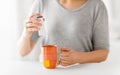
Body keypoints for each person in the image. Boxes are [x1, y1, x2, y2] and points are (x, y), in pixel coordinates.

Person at [18, 0, 109, 66]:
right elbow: (23, 52)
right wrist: (26, 33)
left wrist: (79, 58)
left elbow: (103, 53)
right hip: (49, 70)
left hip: (82, 71)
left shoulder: (97, 6)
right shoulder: (42, 3)